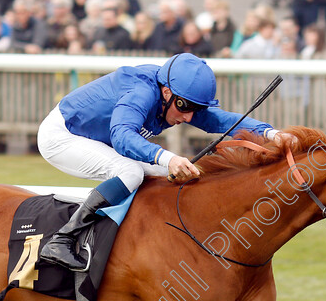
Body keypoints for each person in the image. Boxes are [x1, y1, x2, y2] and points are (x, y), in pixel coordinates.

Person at [36, 53, 298, 271]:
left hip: (99, 137)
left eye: (195, 109)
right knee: (130, 172)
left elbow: (221, 120)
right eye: (184, 107)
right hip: (63, 136)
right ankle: (62, 239)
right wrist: (167, 157)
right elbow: (122, 135)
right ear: (167, 91)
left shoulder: (175, 96)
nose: (188, 117)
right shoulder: (141, 92)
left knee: (177, 173)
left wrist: (271, 133)